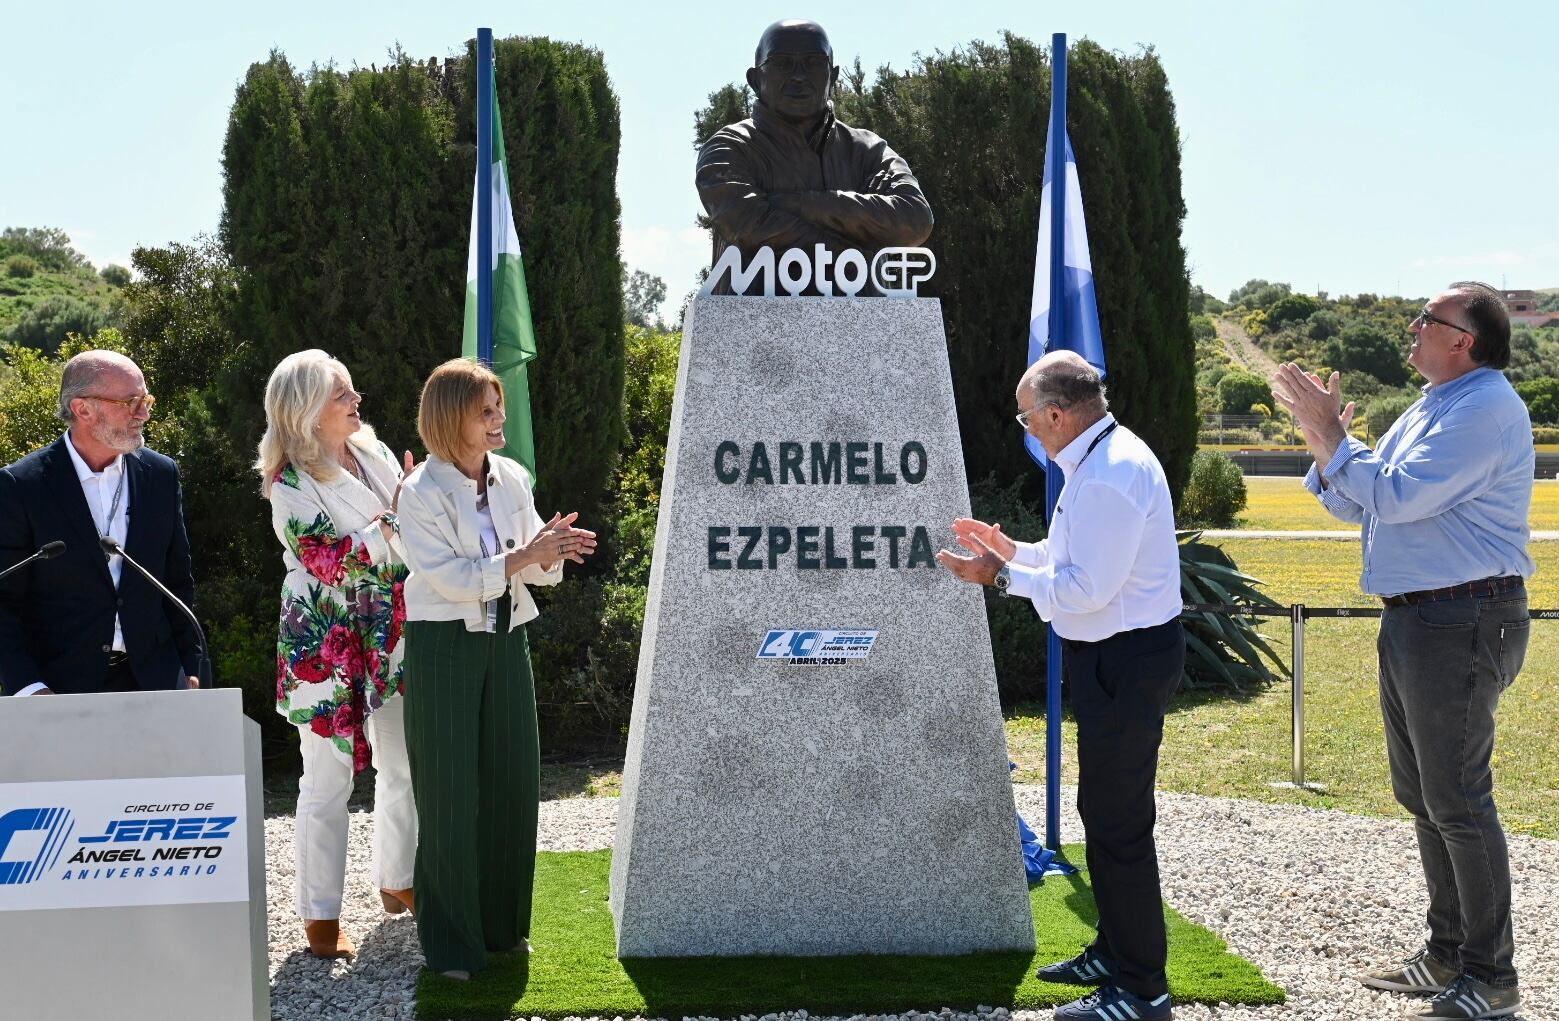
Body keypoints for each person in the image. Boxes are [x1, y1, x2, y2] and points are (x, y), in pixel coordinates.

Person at [1271, 282, 1532, 1021]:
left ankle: (1489, 977)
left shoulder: (1483, 408)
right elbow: (1353, 498)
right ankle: (1447, 954)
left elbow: (1396, 496)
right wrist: (1327, 442)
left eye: (1429, 320)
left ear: (1466, 341)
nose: (1413, 328)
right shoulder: (1431, 405)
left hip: (1463, 616)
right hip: (1423, 618)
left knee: (1456, 797)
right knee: (1423, 795)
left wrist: (1338, 443)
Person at [937, 351, 1183, 1021]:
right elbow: (1070, 559)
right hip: (1117, 656)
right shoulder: (1101, 459)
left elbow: (1084, 589)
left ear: (1054, 412)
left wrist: (996, 577)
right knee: (1102, 814)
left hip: (1123, 660)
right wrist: (1015, 550)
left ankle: (1141, 991)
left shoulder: (1106, 475)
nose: (1026, 428)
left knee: (1119, 824)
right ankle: (1114, 949)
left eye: (1026, 416)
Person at [397, 358, 596, 980]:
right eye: (486, 411)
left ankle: (504, 931)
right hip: (443, 647)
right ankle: (453, 947)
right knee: (449, 793)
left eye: (497, 407)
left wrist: (551, 550)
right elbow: (451, 581)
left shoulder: (511, 477)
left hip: (508, 640)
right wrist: (525, 555)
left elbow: (535, 567)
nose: (498, 419)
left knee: (513, 784)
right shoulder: (418, 493)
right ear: (453, 420)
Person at [258, 349, 418, 960]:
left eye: (352, 392)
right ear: (305, 412)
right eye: (341, 395)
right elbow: (330, 562)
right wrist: (399, 520)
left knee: (403, 761)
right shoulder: (290, 483)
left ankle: (398, 879)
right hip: (323, 643)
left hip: (389, 632)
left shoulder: (372, 451)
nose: (356, 402)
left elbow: (410, 532)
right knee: (327, 779)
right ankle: (320, 916)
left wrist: (414, 509)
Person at [0, 350, 201, 696]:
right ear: (82, 409)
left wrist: (192, 670)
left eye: (146, 399)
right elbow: (3, 601)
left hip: (158, 682)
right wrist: (29, 687)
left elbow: (177, 583)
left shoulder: (161, 475)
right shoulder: (21, 486)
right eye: (131, 402)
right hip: (58, 689)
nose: (145, 413)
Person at [696, 18, 933, 289]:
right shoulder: (730, 147)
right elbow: (747, 224)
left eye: (813, 63)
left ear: (833, 75)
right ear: (755, 80)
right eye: (783, 63)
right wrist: (853, 257)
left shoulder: (868, 150)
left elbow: (915, 219)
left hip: (860, 320)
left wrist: (795, 203)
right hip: (751, 322)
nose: (799, 76)